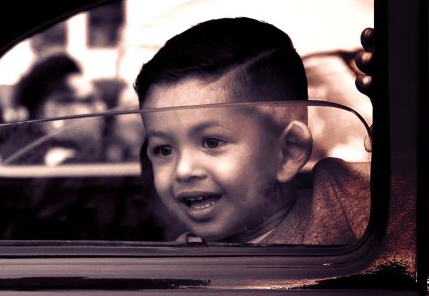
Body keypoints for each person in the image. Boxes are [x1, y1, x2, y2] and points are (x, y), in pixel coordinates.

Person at [134, 17, 370, 245]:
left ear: (288, 152)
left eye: (212, 142)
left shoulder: (340, 204)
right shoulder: (180, 263)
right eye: (164, 150)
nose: (183, 171)